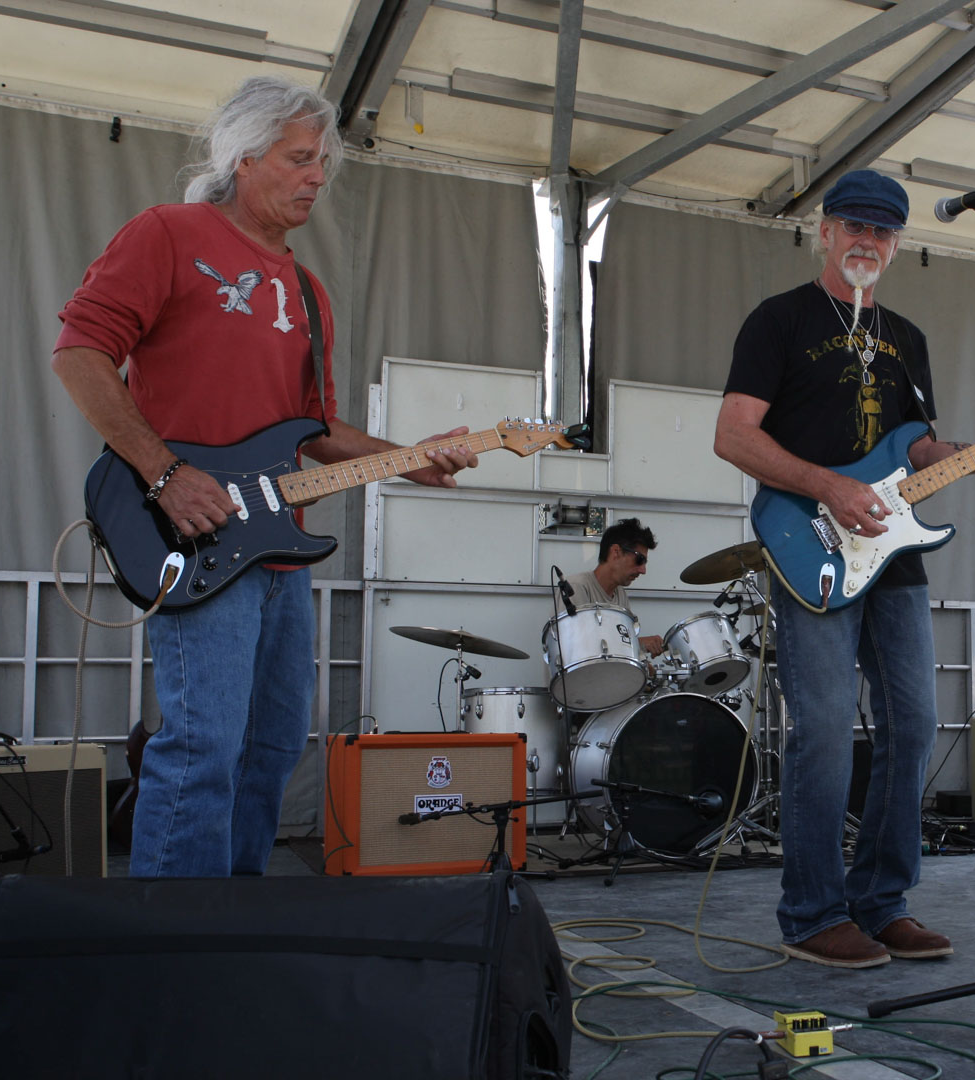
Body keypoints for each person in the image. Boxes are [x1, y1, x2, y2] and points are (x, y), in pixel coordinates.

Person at [51, 77, 478, 877]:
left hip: (280, 554)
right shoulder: (168, 234)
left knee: (274, 746)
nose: (318, 176)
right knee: (202, 744)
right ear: (243, 157)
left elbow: (313, 432)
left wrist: (410, 458)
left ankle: (237, 916)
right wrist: (168, 473)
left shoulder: (309, 292)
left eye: (323, 163)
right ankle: (175, 944)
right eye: (300, 158)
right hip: (195, 535)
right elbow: (80, 355)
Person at [714, 169, 975, 968]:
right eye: (854, 226)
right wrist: (827, 486)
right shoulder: (779, 321)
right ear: (825, 231)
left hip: (895, 554)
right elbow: (734, 436)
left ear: (897, 245)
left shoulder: (906, 340)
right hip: (812, 543)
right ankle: (812, 913)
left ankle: (882, 902)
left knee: (913, 726)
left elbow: (920, 455)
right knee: (825, 732)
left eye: (882, 232)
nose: (867, 242)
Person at [565, 517, 665, 656]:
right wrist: (639, 643)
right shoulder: (576, 587)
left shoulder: (620, 594)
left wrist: (640, 661)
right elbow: (579, 650)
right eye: (639, 560)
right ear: (616, 552)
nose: (643, 570)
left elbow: (621, 648)